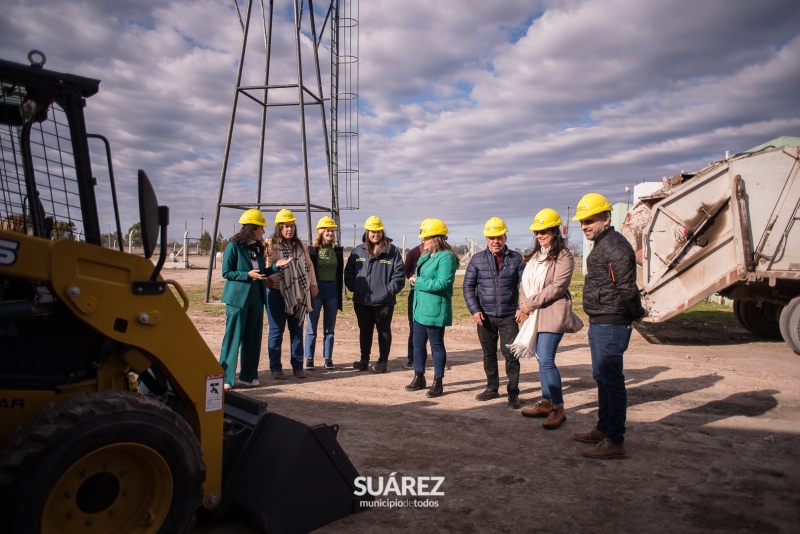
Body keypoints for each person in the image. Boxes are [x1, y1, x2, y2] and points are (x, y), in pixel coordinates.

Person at [571, 193, 645, 459]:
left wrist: (636, 313)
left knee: (611, 381)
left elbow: (627, 287)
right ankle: (603, 429)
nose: (584, 226)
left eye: (589, 220)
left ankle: (615, 440)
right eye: (581, 221)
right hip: (602, 320)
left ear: (606, 218)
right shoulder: (604, 244)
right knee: (602, 378)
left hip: (612, 322)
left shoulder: (615, 247)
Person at [510, 209, 583, 428]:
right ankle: (545, 402)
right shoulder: (535, 256)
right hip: (534, 313)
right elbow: (523, 283)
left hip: (552, 313)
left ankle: (558, 407)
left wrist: (530, 303)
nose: (540, 235)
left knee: (547, 360)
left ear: (556, 231)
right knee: (542, 360)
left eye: (545, 231)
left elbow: (558, 287)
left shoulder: (564, 256)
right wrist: (524, 304)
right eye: (537, 231)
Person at [219, 209, 291, 389]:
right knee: (233, 338)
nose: (263, 232)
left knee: (253, 339)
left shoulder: (257, 248)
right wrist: (247, 275)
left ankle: (248, 376)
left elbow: (260, 273)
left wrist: (275, 267)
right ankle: (226, 378)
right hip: (238, 300)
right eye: (261, 228)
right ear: (251, 228)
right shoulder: (233, 246)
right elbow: (226, 272)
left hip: (256, 299)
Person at [463, 217, 526, 408]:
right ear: (486, 239)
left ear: (505, 237)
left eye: (499, 237)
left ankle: (513, 393)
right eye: (491, 237)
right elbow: (467, 287)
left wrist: (520, 307)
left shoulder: (516, 259)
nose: (495, 241)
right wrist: (474, 310)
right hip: (485, 317)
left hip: (508, 316)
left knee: (511, 355)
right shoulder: (477, 260)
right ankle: (492, 388)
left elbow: (525, 285)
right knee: (489, 355)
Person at [344, 215, 405, 373]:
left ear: (382, 231)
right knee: (365, 330)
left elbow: (399, 273)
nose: (375, 234)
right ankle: (364, 360)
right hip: (362, 300)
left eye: (378, 230)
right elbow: (349, 271)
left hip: (384, 301)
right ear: (367, 232)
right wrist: (353, 286)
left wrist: (389, 290)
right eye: (372, 231)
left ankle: (383, 362)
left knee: (383, 330)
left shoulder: (391, 251)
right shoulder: (358, 251)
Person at [405, 219, 458, 397]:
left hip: (435, 309)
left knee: (436, 345)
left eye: (426, 238)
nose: (423, 241)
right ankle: (419, 376)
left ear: (437, 238)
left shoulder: (446, 257)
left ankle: (438, 381)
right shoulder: (426, 256)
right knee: (417, 344)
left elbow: (443, 283)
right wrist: (414, 282)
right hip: (420, 308)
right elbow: (419, 277)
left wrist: (418, 281)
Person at [264, 209, 318, 380]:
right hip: (276, 293)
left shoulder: (300, 246)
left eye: (292, 226)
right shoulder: (270, 245)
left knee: (297, 330)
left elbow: (309, 266)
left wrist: (313, 284)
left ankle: (297, 366)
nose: (289, 229)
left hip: (298, 294)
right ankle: (276, 368)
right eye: (286, 226)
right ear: (279, 227)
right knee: (276, 331)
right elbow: (264, 266)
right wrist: (265, 279)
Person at [305, 216, 344, 370]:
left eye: (332, 231)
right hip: (316, 289)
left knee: (330, 328)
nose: (330, 233)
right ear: (320, 232)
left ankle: (328, 358)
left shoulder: (337, 251)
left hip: (333, 290)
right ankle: (309, 358)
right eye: (327, 230)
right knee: (311, 326)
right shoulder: (312, 250)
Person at [403, 240, 426, 369]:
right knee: (414, 328)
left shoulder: (441, 254)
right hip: (415, 294)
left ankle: (437, 358)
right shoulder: (413, 253)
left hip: (432, 296)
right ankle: (411, 359)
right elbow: (407, 271)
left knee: (434, 329)